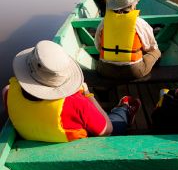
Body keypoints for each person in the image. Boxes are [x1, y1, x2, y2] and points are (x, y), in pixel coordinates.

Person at [3, 40, 141, 142]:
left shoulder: (7, 92)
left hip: (31, 141)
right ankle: (125, 109)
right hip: (77, 148)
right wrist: (88, 95)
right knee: (116, 120)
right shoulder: (76, 104)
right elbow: (106, 130)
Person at [95, 0, 161, 79]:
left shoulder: (104, 21)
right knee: (156, 51)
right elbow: (150, 47)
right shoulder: (139, 22)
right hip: (133, 72)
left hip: (105, 70)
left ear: (115, 5)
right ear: (133, 5)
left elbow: (98, 46)